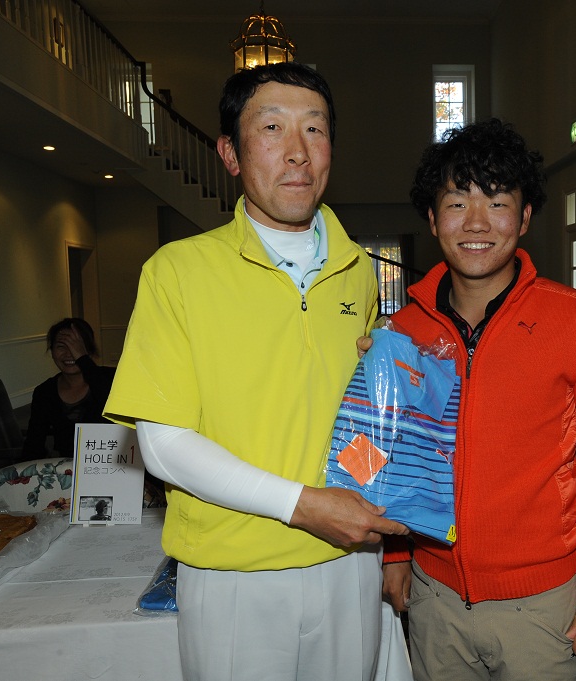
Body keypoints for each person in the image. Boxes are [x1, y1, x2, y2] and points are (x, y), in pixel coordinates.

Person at [103, 62, 409, 681]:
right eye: (272, 128)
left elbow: (361, 414)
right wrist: (305, 506)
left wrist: (382, 507)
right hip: (234, 572)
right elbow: (163, 445)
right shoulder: (177, 271)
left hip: (349, 559)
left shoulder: (357, 270)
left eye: (314, 129)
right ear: (230, 154)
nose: (298, 152)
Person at [380, 118, 576, 681]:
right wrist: (397, 554)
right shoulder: (405, 330)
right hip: (434, 599)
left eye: (497, 201)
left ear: (525, 216)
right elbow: (396, 456)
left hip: (543, 607)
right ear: (432, 218)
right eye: (457, 202)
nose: (476, 222)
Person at [22, 318, 115, 458]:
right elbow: (34, 442)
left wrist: (83, 360)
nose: (69, 353)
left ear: (89, 350)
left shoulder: (110, 379)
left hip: (114, 462)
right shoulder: (45, 392)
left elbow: (111, 402)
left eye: (77, 346)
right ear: (52, 351)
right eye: (61, 346)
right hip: (68, 467)